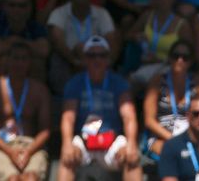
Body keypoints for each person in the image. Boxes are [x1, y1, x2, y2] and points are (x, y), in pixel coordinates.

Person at [58, 35, 141, 181]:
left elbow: (129, 117)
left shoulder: (119, 83)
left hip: (111, 140)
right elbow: (68, 117)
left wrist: (132, 144)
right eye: (92, 55)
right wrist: (66, 144)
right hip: (84, 140)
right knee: (67, 158)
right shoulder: (74, 83)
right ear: (84, 59)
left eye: (102, 55)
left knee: (132, 159)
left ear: (108, 59)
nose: (97, 60)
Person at [0, 41, 50, 181]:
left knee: (30, 178)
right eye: (15, 58)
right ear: (8, 61)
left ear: (30, 62)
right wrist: (10, 151)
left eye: (24, 59)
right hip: (1, 146)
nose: (19, 63)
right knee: (12, 179)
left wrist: (29, 151)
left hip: (31, 145)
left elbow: (45, 130)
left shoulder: (40, 90)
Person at [46, 0, 118, 94]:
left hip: (96, 60)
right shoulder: (59, 13)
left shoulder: (102, 13)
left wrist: (96, 60)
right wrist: (75, 61)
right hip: (69, 61)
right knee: (57, 59)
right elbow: (58, 41)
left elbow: (111, 41)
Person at [143, 41, 199, 158]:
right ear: (170, 58)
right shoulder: (157, 81)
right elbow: (149, 121)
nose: (180, 60)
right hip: (162, 135)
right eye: (176, 56)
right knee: (173, 154)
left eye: (185, 57)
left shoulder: (198, 84)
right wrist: (174, 140)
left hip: (191, 134)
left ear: (191, 62)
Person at [125, 0, 190, 82]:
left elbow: (188, 54)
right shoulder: (147, 16)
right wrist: (136, 36)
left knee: (155, 84)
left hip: (169, 67)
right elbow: (127, 35)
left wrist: (161, 60)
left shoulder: (182, 24)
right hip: (144, 66)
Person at [0, 0, 49, 80]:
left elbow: (44, 50)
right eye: (12, 5)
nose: (17, 10)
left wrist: (14, 41)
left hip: (30, 78)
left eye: (22, 6)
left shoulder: (35, 26)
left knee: (37, 63)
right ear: (5, 6)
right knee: (3, 60)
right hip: (1, 77)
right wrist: (28, 45)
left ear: (29, 8)